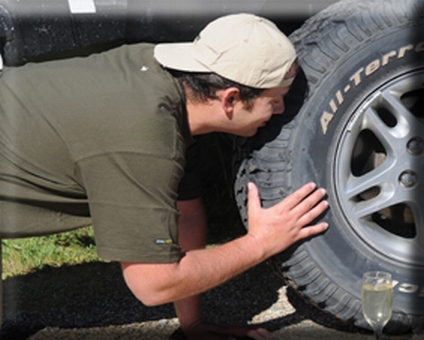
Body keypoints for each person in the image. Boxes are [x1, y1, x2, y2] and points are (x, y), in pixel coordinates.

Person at [0, 13, 329, 339]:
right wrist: (260, 243)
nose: (280, 112)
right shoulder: (143, 135)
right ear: (230, 99)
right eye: (275, 101)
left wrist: (193, 324)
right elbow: (153, 283)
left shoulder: (174, 89)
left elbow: (185, 217)